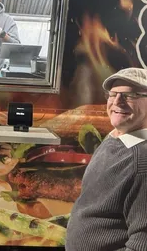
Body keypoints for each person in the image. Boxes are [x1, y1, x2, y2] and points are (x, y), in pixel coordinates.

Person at [66, 67, 147, 251]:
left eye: (131, 95)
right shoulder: (115, 137)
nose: (117, 101)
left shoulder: (142, 161)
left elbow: (142, 244)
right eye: (113, 94)